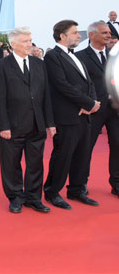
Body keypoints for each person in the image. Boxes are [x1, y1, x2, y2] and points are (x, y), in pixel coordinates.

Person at [0, 27, 56, 214]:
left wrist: (50, 123)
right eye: (25, 41)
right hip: (12, 125)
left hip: (37, 124)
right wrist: (3, 126)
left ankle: (34, 198)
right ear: (13, 44)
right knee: (11, 164)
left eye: (30, 40)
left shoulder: (39, 64)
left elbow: (46, 95)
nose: (30, 44)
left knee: (35, 163)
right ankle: (16, 197)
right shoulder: (1, 66)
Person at [44, 20, 99, 209]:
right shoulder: (52, 57)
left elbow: (88, 82)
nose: (79, 35)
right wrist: (88, 103)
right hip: (66, 116)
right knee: (63, 155)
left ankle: (76, 189)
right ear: (62, 36)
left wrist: (91, 104)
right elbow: (62, 85)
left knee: (82, 155)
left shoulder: (75, 56)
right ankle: (52, 191)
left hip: (84, 115)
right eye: (75, 32)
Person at [76, 21, 119, 198]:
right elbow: (78, 85)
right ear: (92, 35)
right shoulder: (80, 57)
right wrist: (87, 103)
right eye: (104, 33)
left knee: (117, 145)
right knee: (86, 147)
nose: (109, 35)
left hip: (115, 109)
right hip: (93, 109)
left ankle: (116, 183)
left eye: (109, 32)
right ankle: (80, 183)